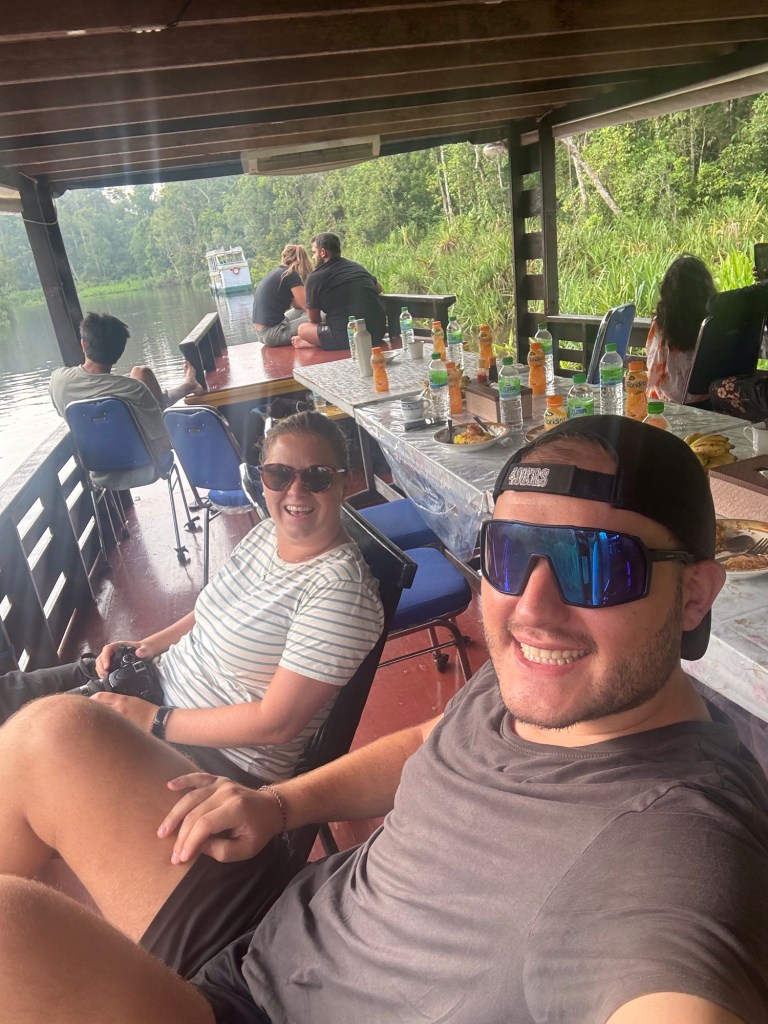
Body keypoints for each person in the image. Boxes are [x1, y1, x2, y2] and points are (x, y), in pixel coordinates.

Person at [3, 415, 768, 1023]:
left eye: (594, 565)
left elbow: (678, 973)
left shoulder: (676, 845)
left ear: (696, 595)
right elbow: (433, 740)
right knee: (53, 734)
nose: (532, 609)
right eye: (510, 555)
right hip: (286, 925)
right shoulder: (539, 685)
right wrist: (280, 804)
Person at [0, 411, 384, 788]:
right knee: (10, 694)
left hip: (212, 758)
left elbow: (276, 724)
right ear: (262, 479)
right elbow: (210, 611)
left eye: (316, 476)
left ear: (344, 481)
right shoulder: (266, 533)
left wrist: (154, 719)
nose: (295, 491)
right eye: (279, 474)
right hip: (150, 682)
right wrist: (147, 645)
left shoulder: (340, 591)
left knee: (24, 752)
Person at [49, 311, 203, 488]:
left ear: (83, 344)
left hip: (99, 472)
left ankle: (189, 385)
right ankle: (189, 385)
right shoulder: (133, 389)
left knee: (141, 374)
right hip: (146, 467)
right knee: (143, 376)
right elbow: (164, 441)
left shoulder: (58, 382)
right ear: (119, 352)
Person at [292, 231, 386, 351]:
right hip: (378, 332)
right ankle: (323, 341)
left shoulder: (314, 277)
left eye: (314, 252)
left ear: (323, 252)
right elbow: (379, 288)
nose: (313, 257)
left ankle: (316, 343)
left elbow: (314, 319)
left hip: (349, 336)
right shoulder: (357, 267)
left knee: (303, 329)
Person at [646, 254, 716, 404]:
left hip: (673, 401)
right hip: (709, 397)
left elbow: (654, 370)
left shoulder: (663, 324)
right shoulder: (714, 321)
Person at [251, 243, 313, 348]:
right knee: (324, 314)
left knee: (302, 312)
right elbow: (309, 306)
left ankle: (306, 336)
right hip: (273, 333)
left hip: (261, 333)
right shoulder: (290, 274)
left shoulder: (277, 273)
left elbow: (297, 305)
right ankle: (312, 341)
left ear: (283, 257)